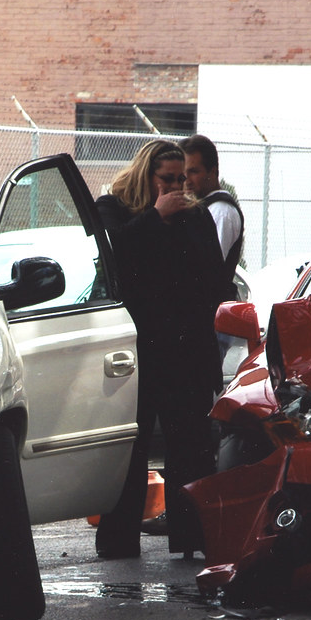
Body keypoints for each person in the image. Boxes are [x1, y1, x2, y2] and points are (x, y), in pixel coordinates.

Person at [94, 140, 225, 560]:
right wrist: (154, 218)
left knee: (190, 447)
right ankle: (118, 540)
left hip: (184, 350)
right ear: (145, 176)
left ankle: (191, 538)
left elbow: (211, 280)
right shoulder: (114, 208)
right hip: (135, 349)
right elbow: (113, 255)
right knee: (129, 450)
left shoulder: (195, 215)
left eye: (182, 178)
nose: (175, 187)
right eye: (166, 179)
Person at [179, 134, 244, 305]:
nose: (187, 181)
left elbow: (208, 269)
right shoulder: (204, 208)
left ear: (213, 172)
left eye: (194, 171)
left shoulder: (221, 212)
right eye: (182, 173)